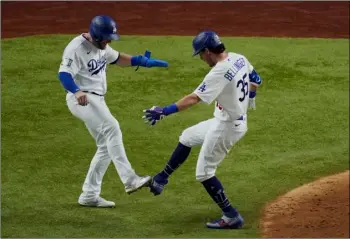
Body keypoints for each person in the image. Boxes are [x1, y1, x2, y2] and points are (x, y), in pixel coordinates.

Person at [142, 30, 262, 229]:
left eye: (200, 54)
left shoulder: (219, 71)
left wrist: (164, 111)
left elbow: (193, 98)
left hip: (227, 126)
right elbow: (256, 78)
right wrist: (250, 96)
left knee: (204, 172)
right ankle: (161, 178)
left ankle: (231, 215)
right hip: (227, 120)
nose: (201, 58)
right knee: (188, 136)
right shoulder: (239, 58)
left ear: (208, 51)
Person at [57, 15, 168, 208]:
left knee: (105, 147)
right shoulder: (76, 48)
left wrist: (140, 61)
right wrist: (76, 90)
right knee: (112, 129)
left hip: (97, 100)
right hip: (81, 99)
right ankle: (130, 180)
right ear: (97, 36)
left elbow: (117, 58)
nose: (109, 41)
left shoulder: (102, 46)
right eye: (107, 38)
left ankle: (89, 195)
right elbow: (64, 74)